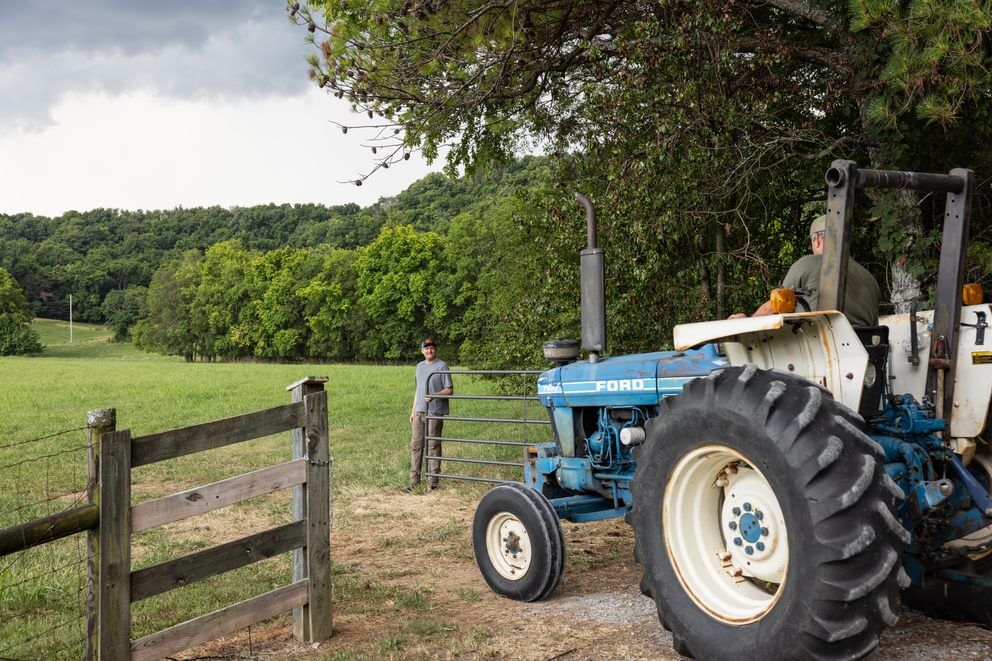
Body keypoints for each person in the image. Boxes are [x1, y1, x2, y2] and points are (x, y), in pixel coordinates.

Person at [731, 215, 880, 326]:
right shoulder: (870, 278)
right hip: (863, 352)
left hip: (822, 350)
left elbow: (776, 304)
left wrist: (748, 321)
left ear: (817, 240)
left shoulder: (808, 263)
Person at [405, 338, 453, 492]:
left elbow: (449, 390)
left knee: (433, 445)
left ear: (435, 350)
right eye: (426, 349)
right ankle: (414, 481)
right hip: (419, 411)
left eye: (432, 348)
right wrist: (413, 411)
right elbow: (417, 390)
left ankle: (433, 482)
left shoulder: (442, 366)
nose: (429, 351)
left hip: (435, 410)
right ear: (422, 351)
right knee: (416, 445)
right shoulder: (419, 367)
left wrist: (434, 395)